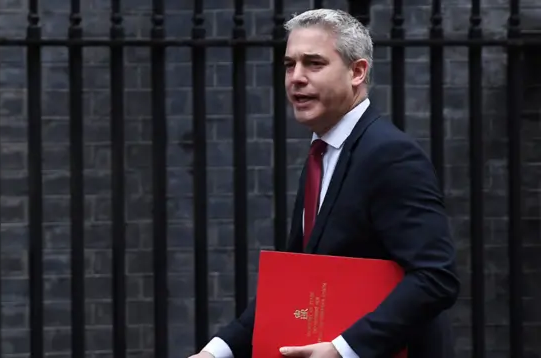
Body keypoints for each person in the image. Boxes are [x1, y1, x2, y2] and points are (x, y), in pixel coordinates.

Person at [188, 8, 460, 358]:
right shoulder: (323, 151)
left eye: (313, 64)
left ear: (357, 72)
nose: (295, 78)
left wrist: (343, 349)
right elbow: (295, 283)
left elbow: (436, 278)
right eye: (289, 64)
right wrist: (216, 351)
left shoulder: (390, 155)